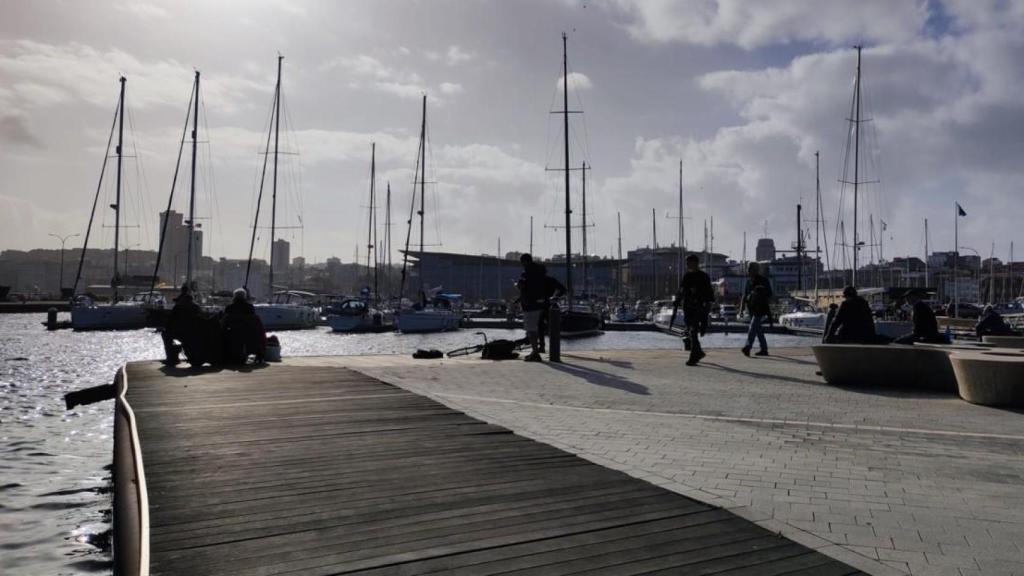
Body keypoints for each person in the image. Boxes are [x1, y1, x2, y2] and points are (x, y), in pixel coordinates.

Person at [516, 254, 565, 362]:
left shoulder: (527, 275)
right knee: (549, 328)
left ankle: (536, 351)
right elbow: (563, 289)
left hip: (531, 306)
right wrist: (554, 297)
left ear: (524, 262)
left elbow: (526, 290)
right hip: (546, 305)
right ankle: (549, 351)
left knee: (533, 330)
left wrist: (520, 286)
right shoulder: (547, 279)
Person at [674, 254, 715, 366]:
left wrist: (706, 308)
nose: (687, 265)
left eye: (688, 262)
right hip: (688, 306)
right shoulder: (687, 276)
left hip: (699, 307)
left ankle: (694, 355)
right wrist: (678, 300)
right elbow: (682, 289)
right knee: (691, 330)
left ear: (695, 263)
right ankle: (698, 352)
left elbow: (709, 294)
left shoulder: (703, 276)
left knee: (693, 330)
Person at [222, 288, 266, 364]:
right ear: (244, 297)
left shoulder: (229, 308)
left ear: (234, 297)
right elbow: (254, 321)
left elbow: (225, 323)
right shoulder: (249, 307)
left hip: (233, 333)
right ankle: (256, 355)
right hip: (249, 334)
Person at [161, 284, 202, 366]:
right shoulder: (196, 307)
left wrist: (166, 327)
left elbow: (170, 321)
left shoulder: (178, 307)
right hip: (195, 332)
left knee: (166, 335)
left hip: (181, 332)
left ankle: (172, 357)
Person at [739, 262, 773, 356]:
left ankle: (747, 347)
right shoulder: (748, 282)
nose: (748, 270)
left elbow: (770, 294)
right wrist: (741, 310)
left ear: (755, 270)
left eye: (750, 268)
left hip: (760, 308)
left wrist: (760, 291)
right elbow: (744, 296)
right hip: (751, 308)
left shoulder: (763, 280)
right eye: (748, 268)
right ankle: (764, 349)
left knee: (753, 327)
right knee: (757, 329)